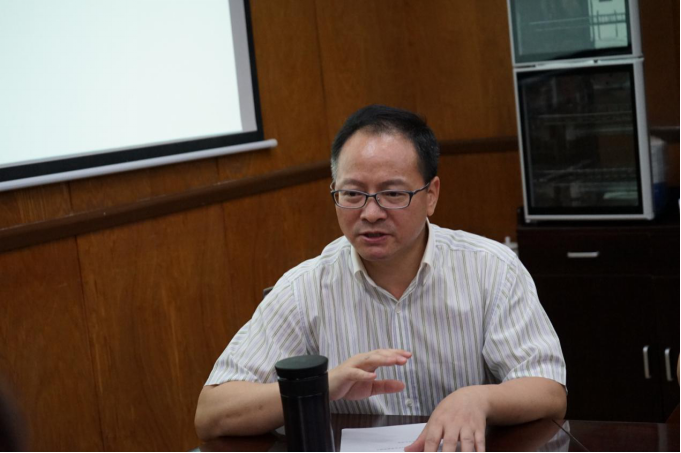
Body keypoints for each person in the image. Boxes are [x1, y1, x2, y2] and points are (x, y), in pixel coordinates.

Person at [195, 105, 567, 452]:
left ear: (431, 195)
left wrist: (479, 399)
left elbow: (549, 390)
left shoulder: (492, 268)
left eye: (392, 193)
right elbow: (212, 414)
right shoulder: (303, 288)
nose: (371, 213)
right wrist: (321, 387)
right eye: (352, 194)